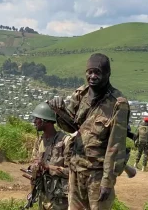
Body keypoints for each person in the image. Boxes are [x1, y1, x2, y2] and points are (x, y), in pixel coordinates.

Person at [47, 53, 130, 210]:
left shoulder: (118, 104)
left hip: (97, 175)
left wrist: (107, 181)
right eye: (89, 72)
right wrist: (59, 111)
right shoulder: (81, 94)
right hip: (76, 169)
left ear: (108, 74)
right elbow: (71, 127)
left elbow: (116, 146)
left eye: (97, 72)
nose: (92, 76)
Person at [28, 102, 70, 209]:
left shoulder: (65, 141)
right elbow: (34, 162)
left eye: (37, 119)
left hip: (60, 198)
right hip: (43, 195)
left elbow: (72, 172)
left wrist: (49, 167)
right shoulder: (39, 141)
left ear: (45, 121)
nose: (34, 122)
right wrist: (34, 168)